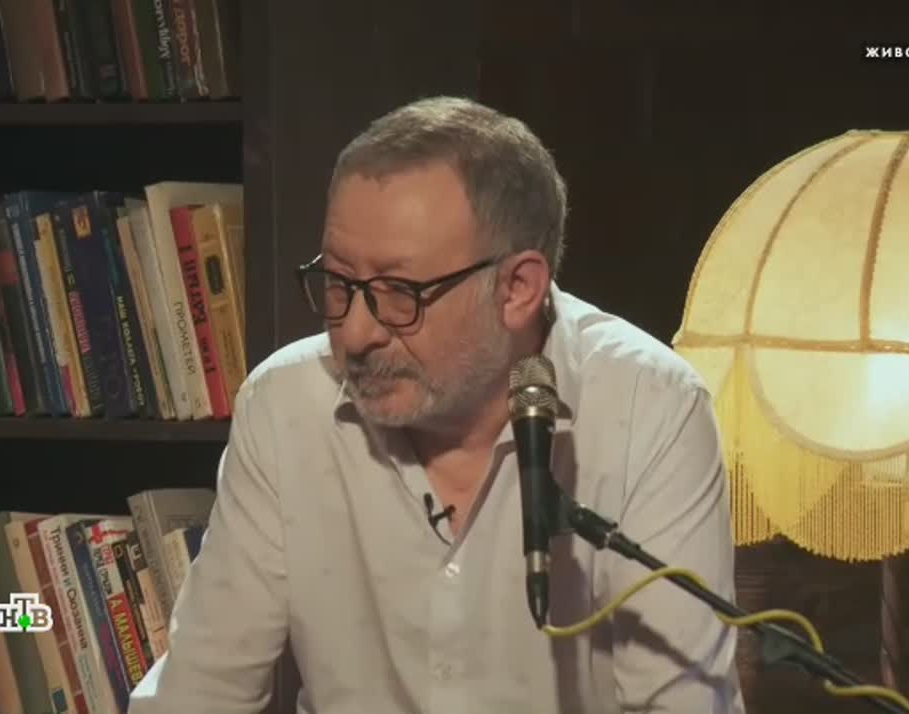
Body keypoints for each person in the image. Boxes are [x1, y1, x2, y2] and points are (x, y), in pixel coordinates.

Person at [127, 96, 745, 714]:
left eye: (400, 293)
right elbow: (201, 693)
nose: (356, 334)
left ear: (517, 288)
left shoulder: (651, 409)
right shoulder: (285, 405)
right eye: (339, 283)